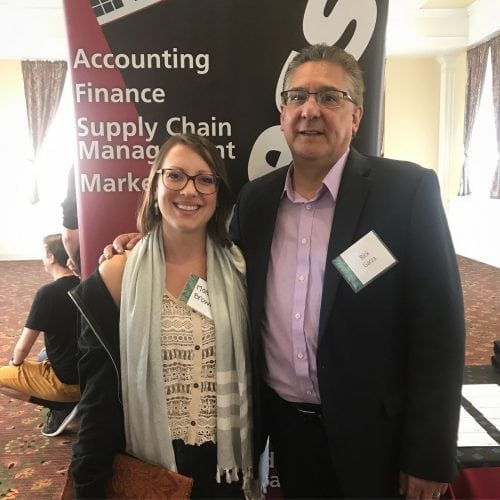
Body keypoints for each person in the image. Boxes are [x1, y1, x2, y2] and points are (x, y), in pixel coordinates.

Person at [106, 44, 466, 498]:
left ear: (356, 116)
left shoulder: (406, 191)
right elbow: (211, 264)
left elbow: (440, 330)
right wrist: (146, 246)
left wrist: (428, 454)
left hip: (379, 441)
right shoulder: (256, 202)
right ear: (282, 115)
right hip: (288, 436)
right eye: (297, 97)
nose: (310, 110)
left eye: (330, 98)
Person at [69, 133, 258, 499]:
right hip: (151, 471)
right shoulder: (118, 275)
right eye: (175, 176)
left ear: (218, 194)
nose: (189, 191)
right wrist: (87, 484)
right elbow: (97, 398)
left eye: (205, 179)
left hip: (225, 472)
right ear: (155, 186)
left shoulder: (241, 271)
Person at [0, 234, 81, 437]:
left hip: (68, 385)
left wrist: (15, 364)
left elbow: (22, 348)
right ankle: (69, 402)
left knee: (3, 377)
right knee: (44, 354)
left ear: (51, 257)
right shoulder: (85, 282)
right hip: (92, 377)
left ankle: (60, 407)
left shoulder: (47, 294)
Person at [61, 165, 80, 276]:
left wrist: (76, 261)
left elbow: (70, 237)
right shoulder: (139, 153)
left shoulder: (81, 165)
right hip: (138, 253)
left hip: (96, 262)